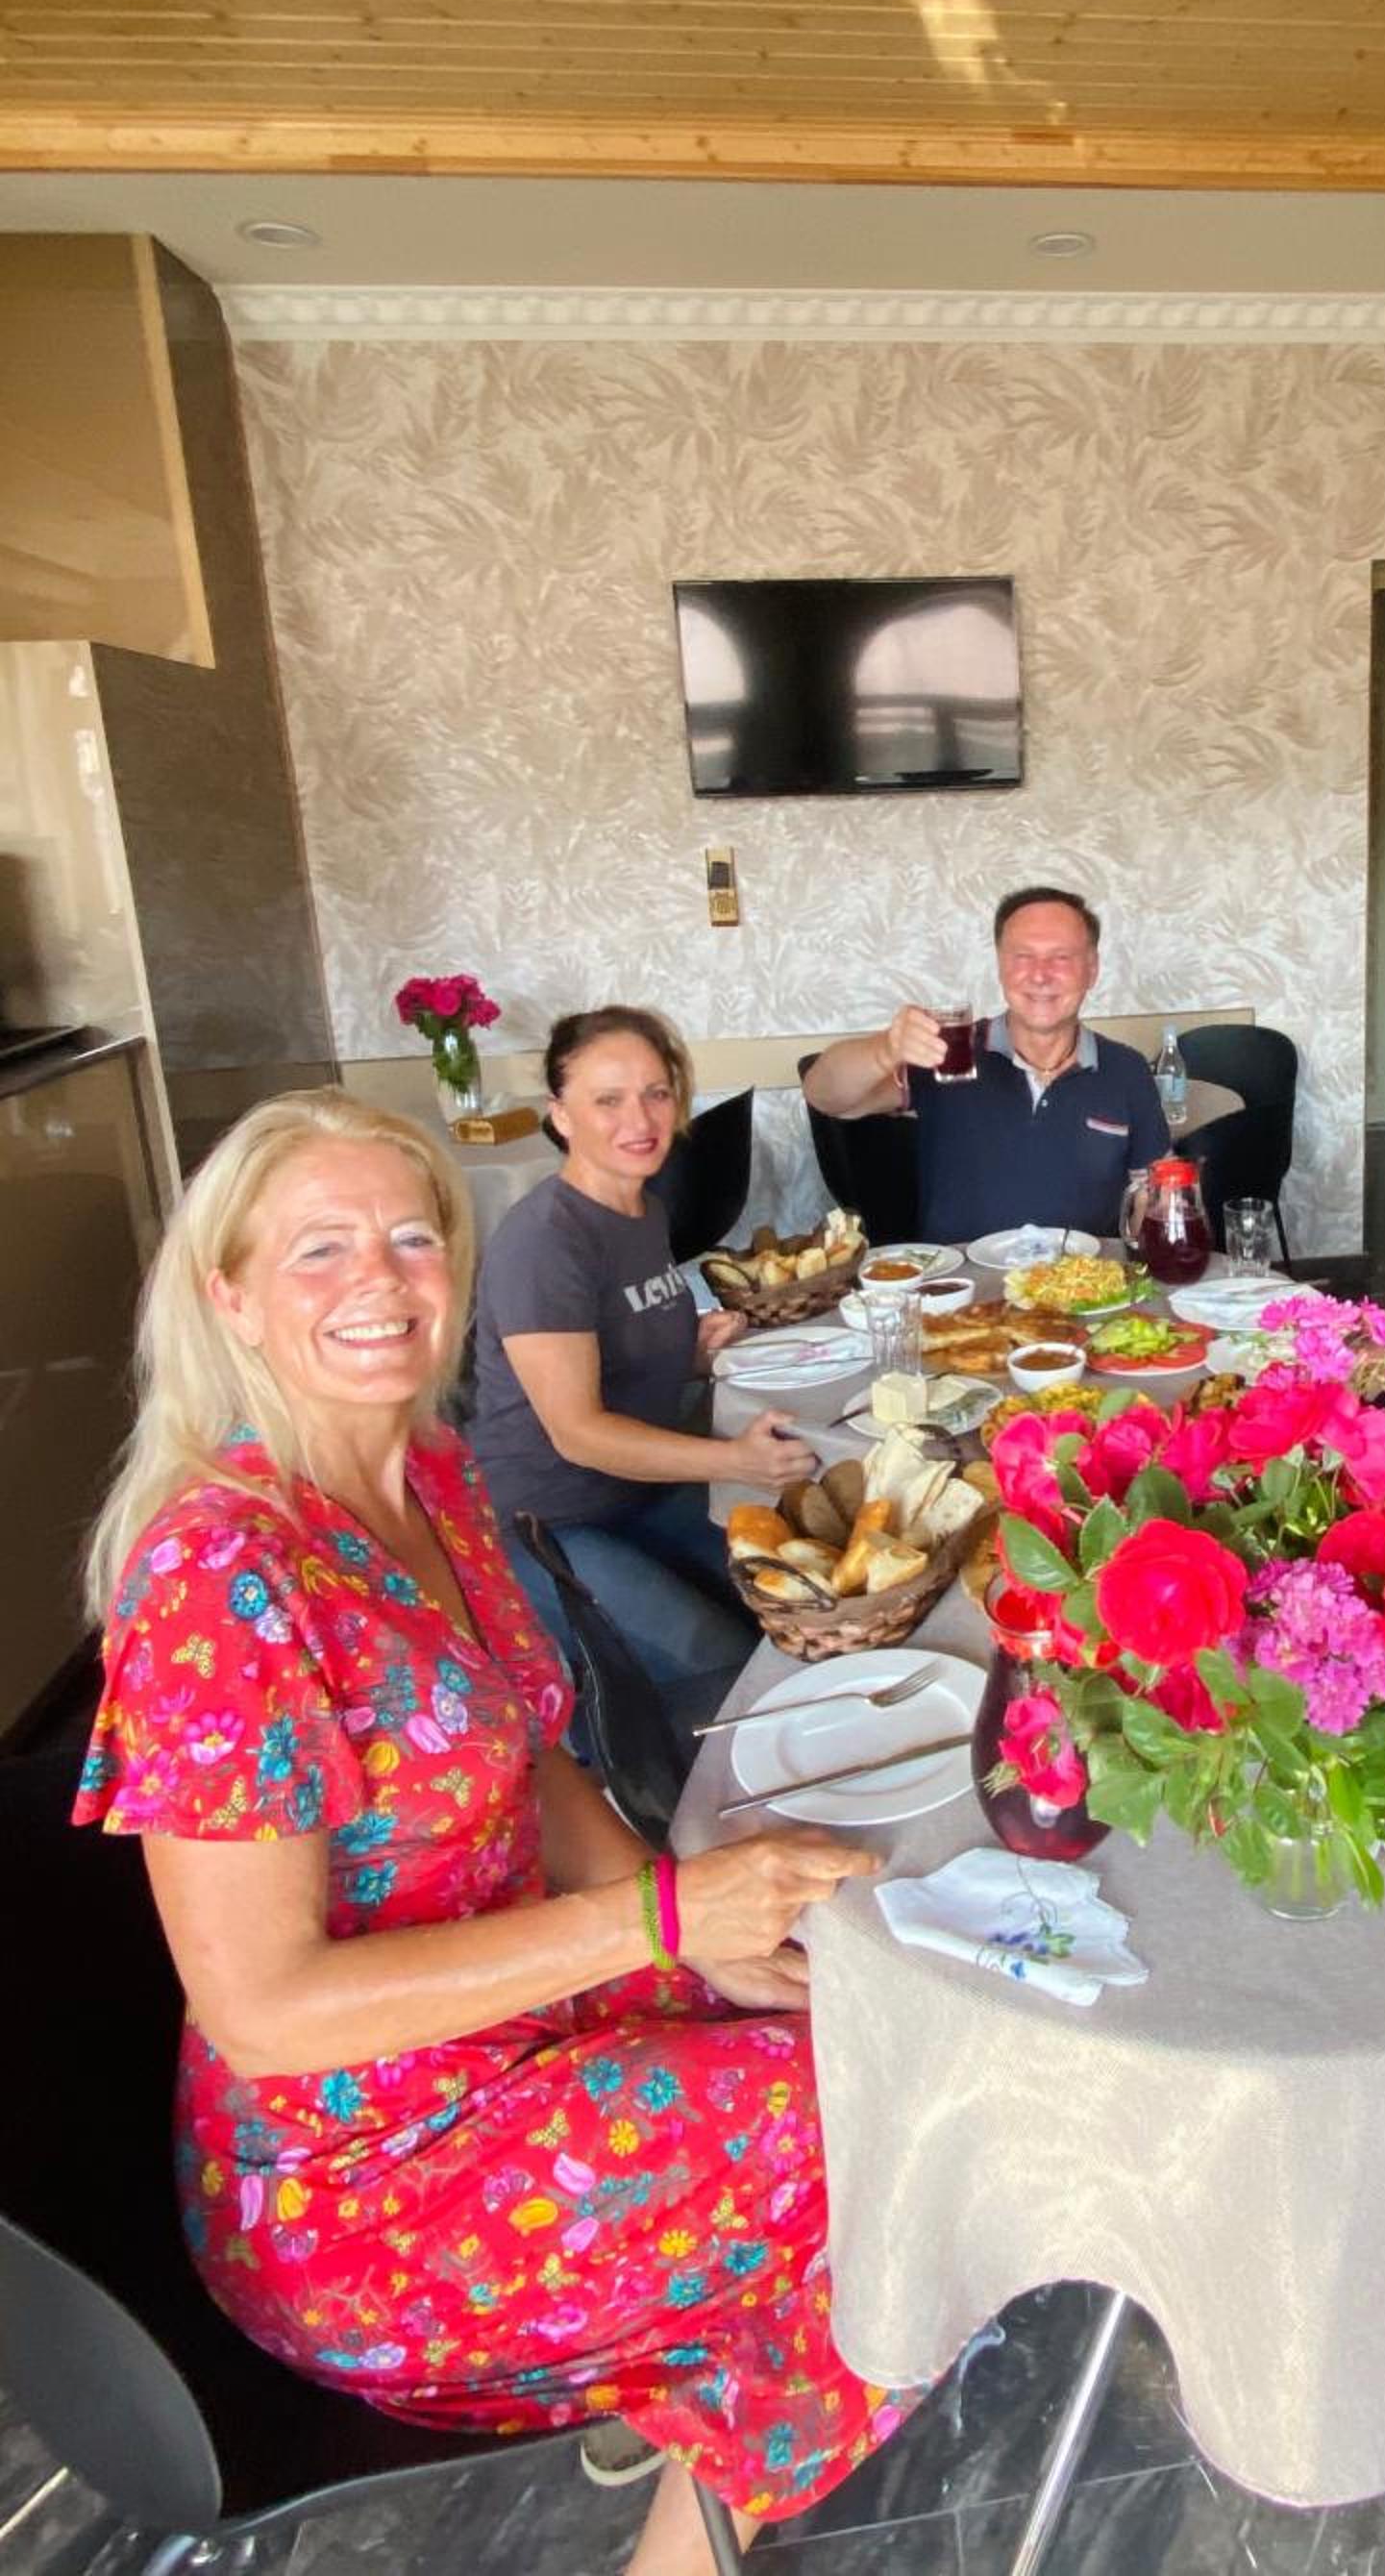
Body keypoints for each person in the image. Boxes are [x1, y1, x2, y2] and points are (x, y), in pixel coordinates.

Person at [73, 1090, 918, 2567]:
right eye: (320, 1248)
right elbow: (263, 2011)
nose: (381, 1279)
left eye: (412, 1238)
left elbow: (531, 1761)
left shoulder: (434, 1478)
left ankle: (688, 2371)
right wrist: (659, 1921)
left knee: (883, 2012)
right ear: (233, 1298)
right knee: (896, 2131)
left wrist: (686, 1939)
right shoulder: (221, 1577)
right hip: (363, 2186)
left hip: (530, 2034)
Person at [469, 1005, 810, 1699]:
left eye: (656, 1093)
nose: (641, 1119)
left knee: (798, 1596)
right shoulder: (546, 1241)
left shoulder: (642, 1210)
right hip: (546, 1524)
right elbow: (579, 1432)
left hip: (639, 1494)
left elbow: (613, 1352)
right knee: (721, 1663)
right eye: (608, 1100)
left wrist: (688, 1354)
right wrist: (735, 1461)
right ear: (560, 1115)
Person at [803, 886, 1168, 1243]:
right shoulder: (949, 1052)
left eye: (1061, 957)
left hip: (1084, 1280)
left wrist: (1164, 1220)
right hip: (962, 1282)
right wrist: (885, 1049)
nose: (1040, 975)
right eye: (1022, 956)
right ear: (1000, 966)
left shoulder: (1127, 1070)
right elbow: (825, 1096)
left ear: (1091, 969)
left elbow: (1151, 1195)